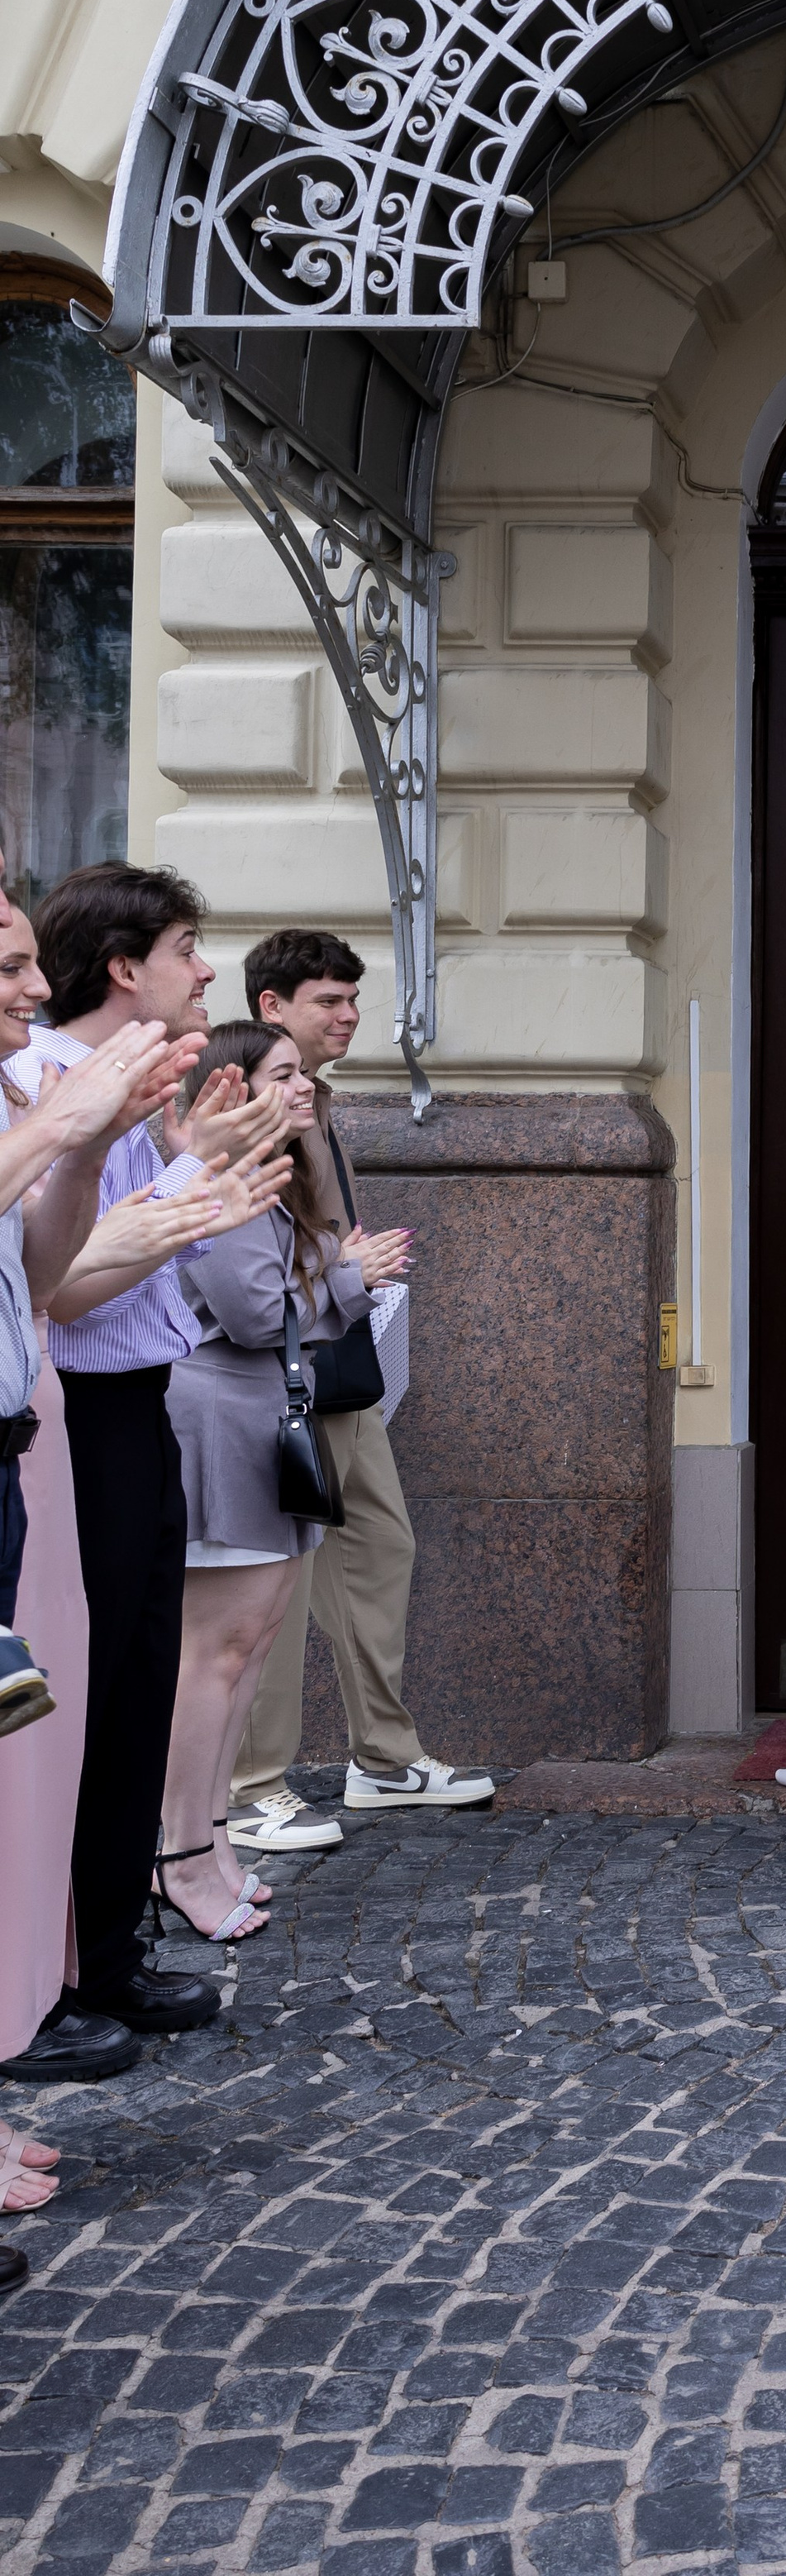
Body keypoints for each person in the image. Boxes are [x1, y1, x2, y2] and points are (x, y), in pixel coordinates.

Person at [11, 865, 289, 2072]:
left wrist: (198, 1174)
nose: (207, 970)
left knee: (128, 1694)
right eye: (188, 945)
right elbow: (59, 1290)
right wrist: (189, 1184)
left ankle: (108, 1949)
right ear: (126, 966)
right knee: (67, 1708)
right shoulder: (49, 1093)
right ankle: (58, 1970)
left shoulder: (120, 1086)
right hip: (75, 1414)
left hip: (137, 1403)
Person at [230, 930, 489, 1844]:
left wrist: (350, 1272)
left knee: (382, 1553)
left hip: (341, 1369)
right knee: (277, 1588)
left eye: (352, 999)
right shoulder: (243, 1108)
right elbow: (244, 1265)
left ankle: (383, 1760)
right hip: (271, 1380)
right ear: (273, 1007)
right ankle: (250, 1785)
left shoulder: (319, 1104)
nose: (348, 1017)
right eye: (328, 1002)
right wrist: (342, 1266)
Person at [162, 1025, 411, 1945]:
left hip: (262, 1413)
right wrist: (347, 1279)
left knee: (250, 1646)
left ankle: (208, 1842)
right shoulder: (230, 1184)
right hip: (223, 1420)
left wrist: (336, 1275)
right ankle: (180, 1853)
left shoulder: (276, 1174)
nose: (303, 1085)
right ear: (232, 1090)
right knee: (218, 1656)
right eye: (282, 1074)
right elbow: (257, 1312)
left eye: (300, 1073)